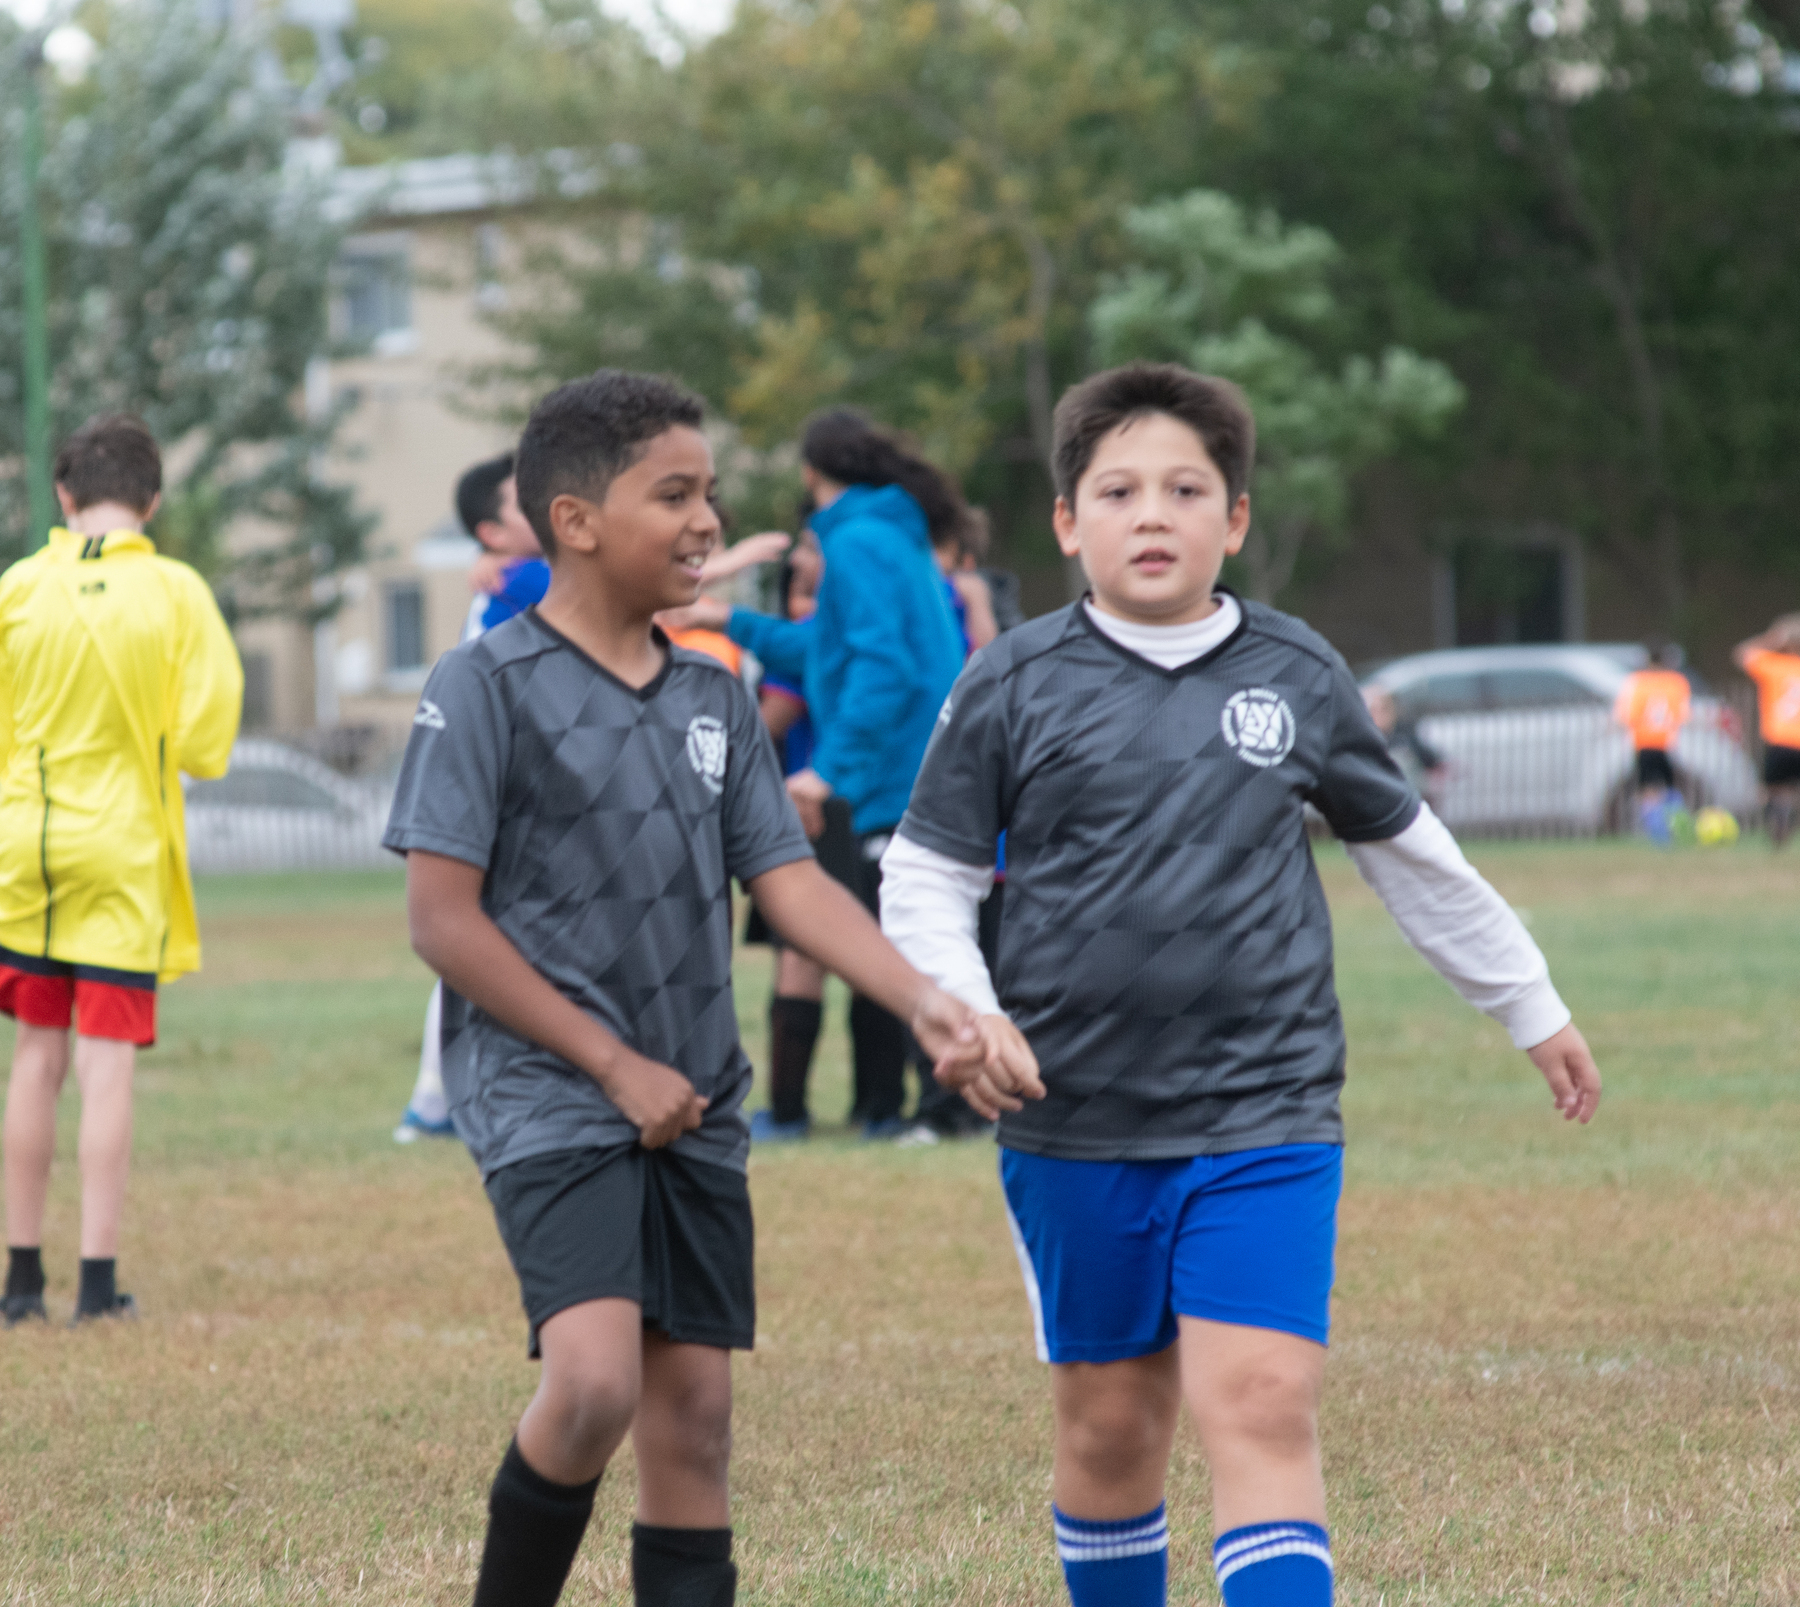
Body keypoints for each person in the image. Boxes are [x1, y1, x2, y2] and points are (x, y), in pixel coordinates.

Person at [878, 362, 1601, 1607]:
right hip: (1072, 1117)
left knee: (1261, 1403)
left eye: (1184, 488)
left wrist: (1528, 1003)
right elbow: (927, 875)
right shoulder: (1014, 679)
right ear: (1066, 522)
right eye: (1117, 490)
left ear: (1237, 519)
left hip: (1264, 1112)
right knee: (1111, 1426)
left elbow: (1413, 859)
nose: (1150, 514)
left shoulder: (1295, 671)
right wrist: (964, 1006)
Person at [381, 369, 1031, 1607]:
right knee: (593, 1383)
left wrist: (929, 1000)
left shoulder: (713, 692)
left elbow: (789, 885)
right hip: (553, 1090)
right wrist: (613, 1063)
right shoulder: (485, 687)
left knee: (695, 1420)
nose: (707, 525)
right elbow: (442, 921)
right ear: (575, 520)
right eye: (673, 494)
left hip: (696, 1097)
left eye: (710, 495)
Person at [1, 414, 242, 1327]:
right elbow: (208, 742)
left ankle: (20, 1281)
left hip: (26, 845)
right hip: (123, 848)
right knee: (105, 1066)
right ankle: (96, 1287)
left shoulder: (18, 587)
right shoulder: (176, 593)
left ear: (64, 497)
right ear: (154, 498)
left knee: (33, 1057)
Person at [678, 410, 972, 1138]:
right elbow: (831, 650)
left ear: (812, 472)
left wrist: (826, 771)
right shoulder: (882, 534)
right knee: (888, 938)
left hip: (898, 777)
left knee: (905, 944)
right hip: (903, 772)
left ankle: (947, 1109)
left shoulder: (860, 541)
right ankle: (919, 1108)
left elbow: (881, 665)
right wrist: (728, 619)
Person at [1612, 645, 1693, 843]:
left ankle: (1659, 835)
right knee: (1670, 787)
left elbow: (1624, 715)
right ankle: (1680, 829)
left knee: (1648, 791)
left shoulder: (1636, 682)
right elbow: (1683, 714)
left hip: (1644, 742)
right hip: (1666, 742)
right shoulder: (1676, 682)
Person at [1733, 613, 1800, 848]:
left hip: (1780, 739)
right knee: (1792, 790)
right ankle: (1789, 814)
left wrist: (1771, 638)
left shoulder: (1774, 666)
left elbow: (1741, 653)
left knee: (1771, 790)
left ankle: (1778, 821)